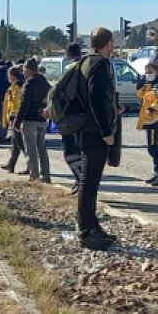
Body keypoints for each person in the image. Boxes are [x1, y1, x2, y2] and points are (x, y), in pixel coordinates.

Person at [74, 28, 122, 251]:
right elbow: (95, 98)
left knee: (90, 181)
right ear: (109, 44)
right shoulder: (99, 64)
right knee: (89, 182)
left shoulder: (87, 61)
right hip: (94, 132)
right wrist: (106, 132)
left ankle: (92, 225)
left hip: (87, 129)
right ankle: (86, 231)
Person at [16, 58, 52, 183]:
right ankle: (46, 176)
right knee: (42, 148)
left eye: (24, 69)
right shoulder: (45, 83)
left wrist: (17, 120)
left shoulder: (29, 84)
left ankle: (34, 175)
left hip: (30, 119)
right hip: (42, 119)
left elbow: (24, 104)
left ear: (30, 70)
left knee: (31, 149)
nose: (23, 72)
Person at [136, 62, 158, 186]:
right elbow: (139, 94)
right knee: (151, 147)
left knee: (154, 147)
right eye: (146, 72)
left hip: (156, 119)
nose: (148, 75)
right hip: (148, 120)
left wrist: (152, 109)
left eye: (150, 72)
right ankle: (157, 172)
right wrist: (144, 84)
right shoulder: (147, 83)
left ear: (156, 71)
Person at [60, 42, 85, 193]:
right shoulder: (88, 67)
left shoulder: (69, 69)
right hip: (87, 115)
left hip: (71, 115)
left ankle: (81, 180)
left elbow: (61, 92)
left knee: (70, 151)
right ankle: (82, 181)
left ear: (68, 54)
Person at [0, 66, 26, 173]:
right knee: (15, 143)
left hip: (16, 118)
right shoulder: (12, 87)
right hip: (13, 118)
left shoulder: (17, 87)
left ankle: (31, 166)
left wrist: (13, 115)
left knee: (21, 143)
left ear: (12, 75)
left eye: (8, 74)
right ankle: (11, 164)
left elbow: (17, 103)